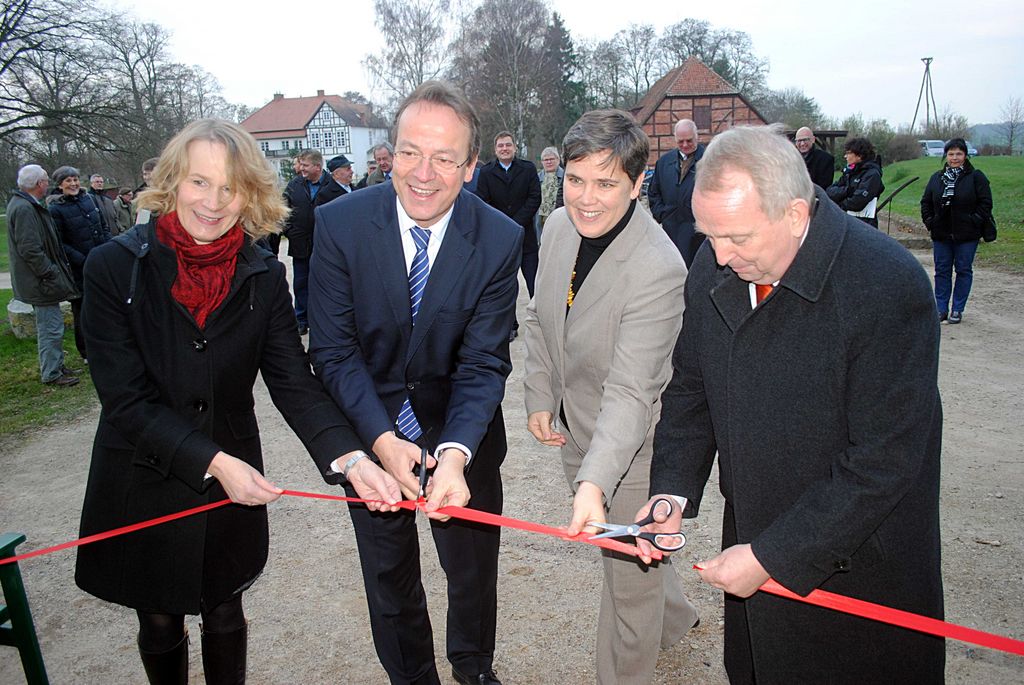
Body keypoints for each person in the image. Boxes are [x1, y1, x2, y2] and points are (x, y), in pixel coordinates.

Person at [74, 119, 400, 685]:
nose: (213, 201)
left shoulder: (264, 275)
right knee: (157, 617)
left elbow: (294, 381)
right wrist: (215, 463)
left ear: (250, 194)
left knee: (225, 606)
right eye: (200, 183)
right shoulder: (112, 268)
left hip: (232, 468)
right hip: (143, 472)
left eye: (230, 188)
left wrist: (351, 459)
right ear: (173, 182)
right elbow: (125, 399)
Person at [637, 125, 944, 683]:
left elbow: (883, 460)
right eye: (709, 234)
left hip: (852, 565)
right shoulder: (716, 263)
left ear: (796, 215)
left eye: (737, 238)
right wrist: (671, 491)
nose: (721, 257)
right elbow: (691, 386)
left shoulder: (884, 284)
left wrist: (773, 556)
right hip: (756, 534)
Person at [308, 80, 522, 685]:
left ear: (471, 166)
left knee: (472, 568)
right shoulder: (338, 225)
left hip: (460, 431)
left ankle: (473, 668)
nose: (423, 174)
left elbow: (483, 362)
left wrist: (454, 455)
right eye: (409, 152)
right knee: (389, 571)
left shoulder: (500, 239)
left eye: (444, 157)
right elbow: (333, 350)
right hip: (371, 429)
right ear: (390, 154)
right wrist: (378, 440)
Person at [523, 110, 698, 685]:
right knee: (630, 554)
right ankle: (674, 617)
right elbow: (540, 317)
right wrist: (540, 394)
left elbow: (631, 391)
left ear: (636, 183)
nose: (586, 199)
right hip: (577, 425)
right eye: (575, 180)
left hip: (636, 445)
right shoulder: (555, 228)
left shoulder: (659, 268)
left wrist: (595, 483)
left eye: (605, 183)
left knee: (627, 583)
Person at [6, 164, 80, 387]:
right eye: (46, 179)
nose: (48, 183)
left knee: (52, 326)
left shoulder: (26, 205)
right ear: (40, 184)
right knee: (50, 328)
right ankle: (52, 373)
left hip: (41, 280)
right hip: (40, 281)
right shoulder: (24, 209)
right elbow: (30, 249)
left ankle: (56, 365)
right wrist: (49, 272)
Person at [474, 130, 541, 341]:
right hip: (500, 239)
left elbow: (534, 197)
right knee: (505, 284)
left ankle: (541, 321)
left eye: (508, 145)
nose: (504, 149)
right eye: (500, 146)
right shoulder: (486, 172)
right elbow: (483, 201)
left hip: (526, 236)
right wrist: (503, 224)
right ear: (495, 149)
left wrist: (516, 221)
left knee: (534, 280)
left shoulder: (528, 169)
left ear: (514, 147)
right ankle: (510, 325)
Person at [920, 137, 993, 325]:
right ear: (946, 156)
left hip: (967, 234)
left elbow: (985, 203)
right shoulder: (937, 178)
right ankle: (941, 309)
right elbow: (926, 202)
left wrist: (974, 220)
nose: (954, 158)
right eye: (951, 154)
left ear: (965, 155)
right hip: (942, 233)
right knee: (942, 271)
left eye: (958, 154)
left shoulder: (976, 177)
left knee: (963, 270)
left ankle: (957, 309)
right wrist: (930, 222)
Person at [49, 165, 111, 361]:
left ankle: (107, 345)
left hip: (100, 261)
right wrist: (84, 260)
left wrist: (109, 250)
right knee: (83, 310)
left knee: (106, 306)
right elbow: (59, 243)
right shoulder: (55, 209)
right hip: (79, 268)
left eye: (75, 179)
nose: (73, 183)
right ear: (60, 185)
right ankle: (86, 351)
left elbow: (102, 226)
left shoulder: (89, 199)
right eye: (68, 180)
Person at [283, 148, 330, 335]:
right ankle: (301, 318)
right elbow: (282, 209)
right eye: (300, 164)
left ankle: (324, 319)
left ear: (317, 167)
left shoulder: (331, 184)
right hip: (300, 243)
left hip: (325, 245)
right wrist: (289, 231)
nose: (301, 168)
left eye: (305, 165)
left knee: (327, 283)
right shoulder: (294, 185)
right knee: (301, 282)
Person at [646, 119, 706, 266]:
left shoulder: (710, 160)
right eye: (681, 141)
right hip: (671, 230)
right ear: (675, 139)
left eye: (689, 140)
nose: (685, 145)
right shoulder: (664, 162)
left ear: (697, 136)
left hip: (699, 234)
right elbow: (653, 192)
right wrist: (663, 214)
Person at [826, 136, 884, 227]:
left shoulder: (872, 174)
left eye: (848, 153)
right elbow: (829, 191)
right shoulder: (849, 172)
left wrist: (838, 203)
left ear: (859, 155)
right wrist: (847, 191)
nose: (845, 157)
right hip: (847, 221)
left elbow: (857, 203)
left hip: (865, 225)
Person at [534, 145, 564, 245]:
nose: (548, 162)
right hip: (540, 220)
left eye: (551, 159)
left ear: (558, 160)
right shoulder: (536, 178)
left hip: (560, 217)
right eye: (545, 160)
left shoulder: (565, 176)